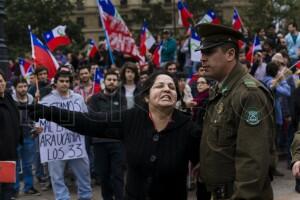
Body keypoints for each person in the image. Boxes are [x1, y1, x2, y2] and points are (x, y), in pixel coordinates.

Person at [26, 71, 200, 200]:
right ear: (147, 97)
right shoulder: (131, 118)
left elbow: (205, 172)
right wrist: (47, 112)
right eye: (160, 86)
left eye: (171, 87)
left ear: (177, 97)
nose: (166, 89)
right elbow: (89, 121)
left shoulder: (189, 128)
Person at [196, 23, 276, 200]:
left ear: (230, 54)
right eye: (202, 53)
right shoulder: (221, 90)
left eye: (208, 52)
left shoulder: (249, 94)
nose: (202, 58)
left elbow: (253, 162)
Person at [38, 71, 92, 200]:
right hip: (55, 147)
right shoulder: (45, 101)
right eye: (61, 81)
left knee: (84, 174)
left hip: (75, 144)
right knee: (57, 177)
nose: (64, 84)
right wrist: (38, 128)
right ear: (55, 83)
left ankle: (85, 197)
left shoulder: (78, 98)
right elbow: (39, 122)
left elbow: (85, 117)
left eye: (67, 81)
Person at [88, 69, 126, 200]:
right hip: (100, 142)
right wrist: (111, 118)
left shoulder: (122, 98)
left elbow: (122, 117)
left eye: (114, 80)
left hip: (118, 142)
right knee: (103, 176)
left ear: (118, 82)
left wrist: (103, 117)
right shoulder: (95, 98)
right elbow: (92, 117)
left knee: (118, 175)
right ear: (104, 82)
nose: (112, 82)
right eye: (109, 80)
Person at [12, 77, 41, 198]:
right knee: (15, 164)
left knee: (28, 164)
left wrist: (37, 127)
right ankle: (14, 189)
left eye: (25, 86)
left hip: (28, 136)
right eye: (20, 86)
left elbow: (35, 117)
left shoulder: (32, 99)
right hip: (13, 137)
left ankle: (29, 187)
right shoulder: (11, 101)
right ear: (15, 88)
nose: (23, 89)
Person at [0, 70, 22, 200]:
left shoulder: (8, 97)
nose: (0, 84)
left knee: (8, 188)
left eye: (1, 81)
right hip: (1, 155)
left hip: (10, 153)